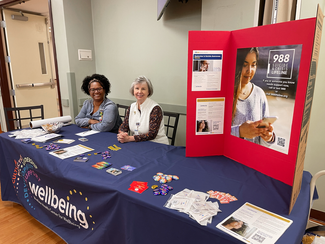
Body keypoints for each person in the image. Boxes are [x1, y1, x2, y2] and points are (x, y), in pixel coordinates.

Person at [231, 47, 275, 146]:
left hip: (251, 159)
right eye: (244, 65)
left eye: (253, 65)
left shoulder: (259, 94)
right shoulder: (223, 93)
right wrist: (239, 132)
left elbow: (262, 144)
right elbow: (211, 135)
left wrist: (268, 138)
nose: (249, 70)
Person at [117, 76, 169, 145]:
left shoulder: (155, 108)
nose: (139, 92)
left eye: (143, 89)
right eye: (137, 88)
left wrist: (129, 138)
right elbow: (124, 126)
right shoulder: (132, 107)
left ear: (149, 91)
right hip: (139, 144)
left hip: (157, 145)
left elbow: (152, 134)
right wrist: (122, 134)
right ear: (133, 91)